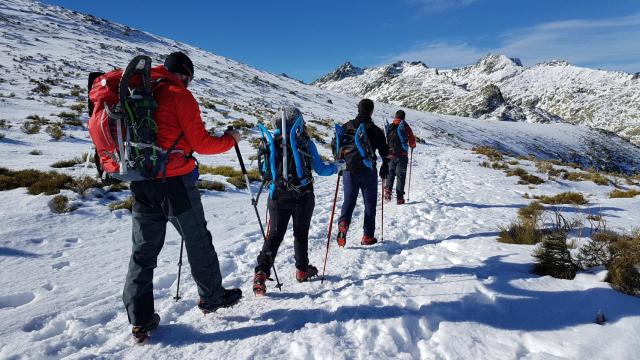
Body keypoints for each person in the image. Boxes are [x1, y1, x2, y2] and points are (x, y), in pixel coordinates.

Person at [121, 52, 243, 342]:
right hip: (174, 182)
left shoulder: (142, 91)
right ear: (185, 74)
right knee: (197, 239)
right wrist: (232, 140)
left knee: (143, 251)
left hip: (141, 180)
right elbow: (202, 143)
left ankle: (140, 320)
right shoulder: (179, 95)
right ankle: (212, 296)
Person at [253, 106, 344, 295]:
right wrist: (338, 166)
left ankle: (261, 272)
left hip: (276, 196)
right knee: (300, 233)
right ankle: (302, 270)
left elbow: (263, 172)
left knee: (274, 235)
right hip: (303, 195)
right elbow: (321, 170)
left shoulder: (268, 142)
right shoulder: (304, 142)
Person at [336, 99, 389, 246]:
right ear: (371, 111)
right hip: (368, 171)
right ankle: (367, 236)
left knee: (349, 201)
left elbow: (338, 146)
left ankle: (344, 223)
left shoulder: (346, 126)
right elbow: (385, 152)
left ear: (358, 109)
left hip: (348, 170)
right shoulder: (375, 129)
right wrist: (385, 165)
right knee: (370, 204)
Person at [384, 110, 416, 205]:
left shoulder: (390, 126)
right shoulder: (405, 126)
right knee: (400, 177)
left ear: (395, 116)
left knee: (390, 174)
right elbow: (412, 139)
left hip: (390, 155)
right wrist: (412, 146)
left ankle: (387, 193)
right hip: (402, 156)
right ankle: (399, 198)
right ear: (404, 117)